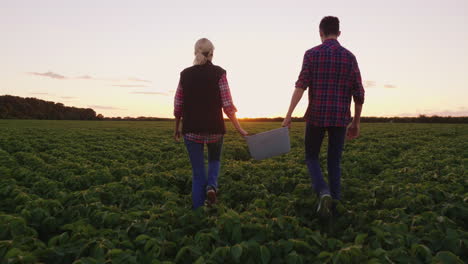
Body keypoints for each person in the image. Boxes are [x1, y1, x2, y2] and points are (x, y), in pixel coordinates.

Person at [282, 16, 365, 218]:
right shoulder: (349, 57)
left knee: (311, 157)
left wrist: (289, 114)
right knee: (334, 161)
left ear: (320, 33)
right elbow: (359, 93)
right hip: (339, 118)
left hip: (317, 116)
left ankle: (323, 192)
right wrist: (356, 122)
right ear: (339, 33)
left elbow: (300, 86)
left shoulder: (312, 54)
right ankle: (335, 204)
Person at [174, 38, 248, 209]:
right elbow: (228, 105)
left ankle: (198, 215)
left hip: (191, 129)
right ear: (212, 54)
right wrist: (240, 128)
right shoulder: (219, 73)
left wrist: (177, 128)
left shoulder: (185, 74)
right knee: (214, 161)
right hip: (215, 129)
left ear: (195, 53)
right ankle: (212, 186)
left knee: (198, 174)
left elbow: (178, 105)